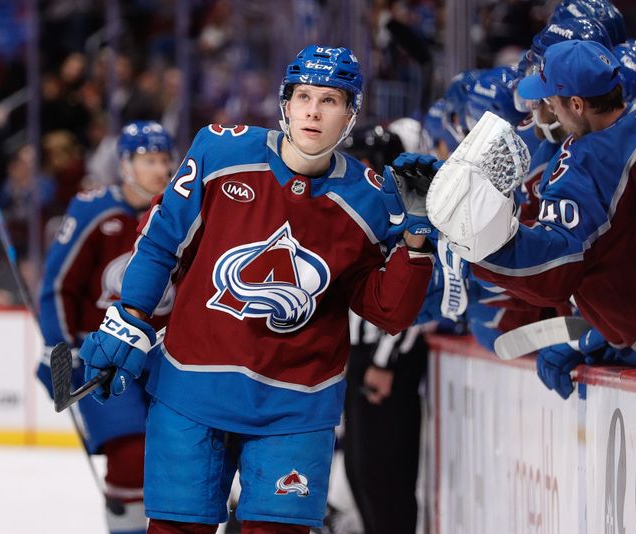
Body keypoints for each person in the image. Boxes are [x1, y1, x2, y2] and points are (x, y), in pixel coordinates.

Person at [78, 45, 434, 534]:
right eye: (303, 96)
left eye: (330, 100)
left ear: (350, 115)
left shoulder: (372, 200)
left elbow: (388, 312)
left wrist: (416, 241)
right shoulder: (220, 151)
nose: (313, 110)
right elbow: (162, 241)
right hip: (191, 391)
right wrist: (132, 316)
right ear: (284, 103)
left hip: (296, 409)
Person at [431, 40, 636, 399]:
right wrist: (597, 335)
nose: (547, 109)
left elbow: (555, 266)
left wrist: (484, 245)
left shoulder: (587, 161)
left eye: (552, 101)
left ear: (578, 105)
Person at [37, 120, 175, 534]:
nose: (160, 170)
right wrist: (57, 350)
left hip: (163, 355)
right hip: (103, 359)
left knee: (177, 455)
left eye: (165, 160)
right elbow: (57, 286)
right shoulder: (95, 210)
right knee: (130, 453)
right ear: (125, 164)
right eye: (149, 160)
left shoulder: (178, 211)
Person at [341, 122, 429, 534]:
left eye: (365, 161)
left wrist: (385, 361)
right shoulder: (358, 209)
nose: (358, 169)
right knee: (361, 471)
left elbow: (421, 296)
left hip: (388, 358)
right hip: (363, 356)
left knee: (383, 475)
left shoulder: (407, 214)